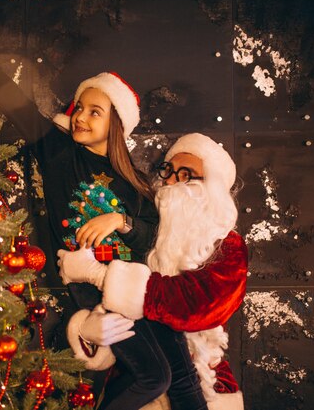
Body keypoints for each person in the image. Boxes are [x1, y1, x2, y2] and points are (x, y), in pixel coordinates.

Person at [0, 21, 205, 410]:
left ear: (115, 124)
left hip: (136, 291)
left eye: (95, 112)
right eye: (79, 109)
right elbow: (15, 102)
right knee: (154, 376)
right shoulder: (58, 152)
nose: (80, 117)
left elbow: (148, 237)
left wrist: (118, 221)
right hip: (95, 292)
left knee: (183, 377)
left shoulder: (133, 183)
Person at [59, 133, 248, 409]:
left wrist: (97, 274)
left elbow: (194, 304)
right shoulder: (150, 233)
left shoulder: (228, 246)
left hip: (204, 381)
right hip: (137, 383)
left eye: (186, 175)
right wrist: (91, 327)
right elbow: (109, 302)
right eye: (168, 171)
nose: (171, 182)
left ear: (212, 187)